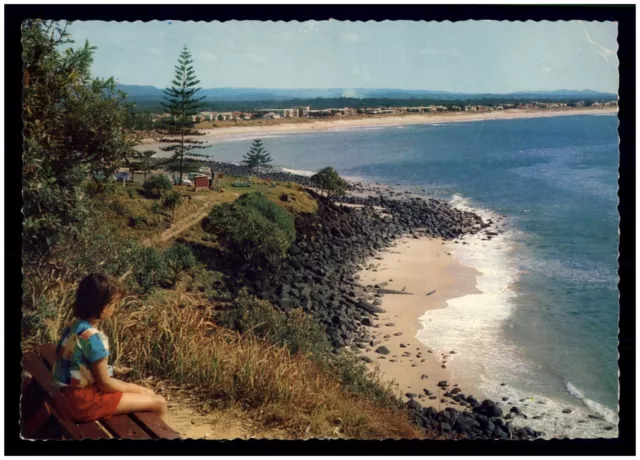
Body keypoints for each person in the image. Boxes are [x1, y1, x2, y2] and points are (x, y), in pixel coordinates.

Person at [52, 274, 168, 422]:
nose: (114, 308)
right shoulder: (93, 338)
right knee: (159, 402)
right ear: (102, 307)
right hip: (82, 403)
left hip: (65, 395)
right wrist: (137, 389)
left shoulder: (73, 327)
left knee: (145, 393)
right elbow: (105, 384)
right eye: (113, 304)